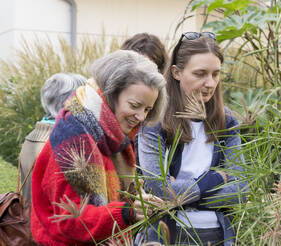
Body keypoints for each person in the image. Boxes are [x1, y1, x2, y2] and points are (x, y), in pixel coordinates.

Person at [30, 50, 167, 245]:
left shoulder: (115, 137)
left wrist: (138, 201)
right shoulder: (73, 137)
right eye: (135, 105)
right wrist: (127, 212)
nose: (141, 117)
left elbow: (118, 200)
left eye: (147, 109)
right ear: (111, 94)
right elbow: (69, 220)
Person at [135, 32, 247, 246]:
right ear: (177, 73)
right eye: (200, 74)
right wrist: (214, 180)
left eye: (216, 74)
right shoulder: (155, 122)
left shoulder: (228, 121)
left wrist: (177, 198)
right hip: (165, 233)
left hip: (218, 235)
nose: (210, 83)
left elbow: (240, 190)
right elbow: (158, 189)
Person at [19, 73, 86, 205]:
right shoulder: (62, 144)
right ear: (71, 101)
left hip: (30, 223)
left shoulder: (32, 137)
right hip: (49, 224)